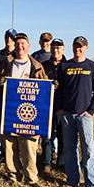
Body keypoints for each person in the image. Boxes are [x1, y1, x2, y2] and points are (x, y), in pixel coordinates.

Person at [0, 33, 47, 187]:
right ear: (14, 46)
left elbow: (44, 91)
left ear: (29, 46)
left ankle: (31, 178)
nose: (20, 46)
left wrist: (50, 88)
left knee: (29, 147)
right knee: (9, 146)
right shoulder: (5, 64)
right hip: (8, 113)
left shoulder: (36, 66)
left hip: (29, 115)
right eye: (17, 44)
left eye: (23, 43)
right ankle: (12, 175)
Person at [56, 36, 94, 187]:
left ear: (86, 48)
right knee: (70, 148)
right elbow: (59, 90)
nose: (78, 49)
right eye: (75, 46)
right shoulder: (64, 66)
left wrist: (91, 111)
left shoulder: (93, 67)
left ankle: (92, 185)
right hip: (67, 114)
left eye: (81, 46)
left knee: (88, 149)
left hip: (85, 116)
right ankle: (72, 180)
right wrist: (60, 109)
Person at [41, 38, 66, 174]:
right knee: (47, 136)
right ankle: (47, 163)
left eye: (58, 48)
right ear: (50, 49)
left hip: (63, 107)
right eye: (53, 48)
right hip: (47, 106)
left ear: (63, 49)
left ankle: (62, 163)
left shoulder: (69, 65)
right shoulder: (43, 66)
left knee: (63, 136)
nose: (55, 50)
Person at [0, 28, 18, 157]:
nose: (9, 40)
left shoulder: (19, 54)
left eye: (12, 38)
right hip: (1, 96)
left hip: (16, 98)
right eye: (7, 37)